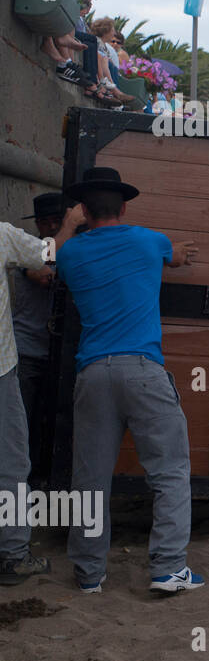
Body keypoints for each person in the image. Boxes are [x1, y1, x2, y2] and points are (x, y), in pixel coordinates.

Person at [56, 166, 204, 594]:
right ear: (123, 207)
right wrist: (176, 251)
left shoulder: (71, 253)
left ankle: (88, 574)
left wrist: (67, 227)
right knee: (170, 473)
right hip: (142, 370)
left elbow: (51, 258)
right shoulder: (149, 241)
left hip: (93, 374)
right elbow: (173, 256)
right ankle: (168, 569)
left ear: (84, 210)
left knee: (90, 479)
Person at [0, 217, 54, 586]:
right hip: (1, 370)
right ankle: (14, 556)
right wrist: (68, 225)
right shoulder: (2, 235)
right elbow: (47, 253)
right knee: (12, 463)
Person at [9, 193, 70, 489]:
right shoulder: (28, 248)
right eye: (43, 221)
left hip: (59, 353)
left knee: (51, 422)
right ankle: (25, 485)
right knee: (23, 424)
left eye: (55, 220)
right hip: (28, 351)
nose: (48, 226)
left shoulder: (71, 248)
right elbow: (41, 273)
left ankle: (45, 480)